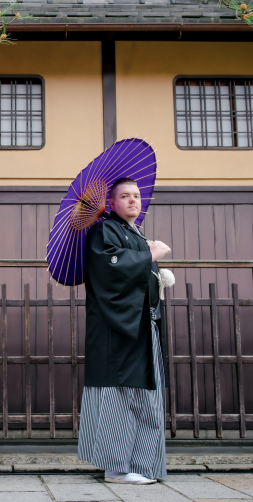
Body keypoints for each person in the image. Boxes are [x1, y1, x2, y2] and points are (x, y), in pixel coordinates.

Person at [77, 177, 171, 485]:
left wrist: (156, 274)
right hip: (117, 329)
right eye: (125, 196)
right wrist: (149, 256)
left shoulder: (136, 233)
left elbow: (139, 276)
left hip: (143, 325)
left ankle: (143, 464)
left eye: (137, 196)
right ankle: (116, 468)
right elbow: (109, 269)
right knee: (119, 395)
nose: (133, 200)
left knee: (147, 396)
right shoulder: (103, 230)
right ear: (111, 203)